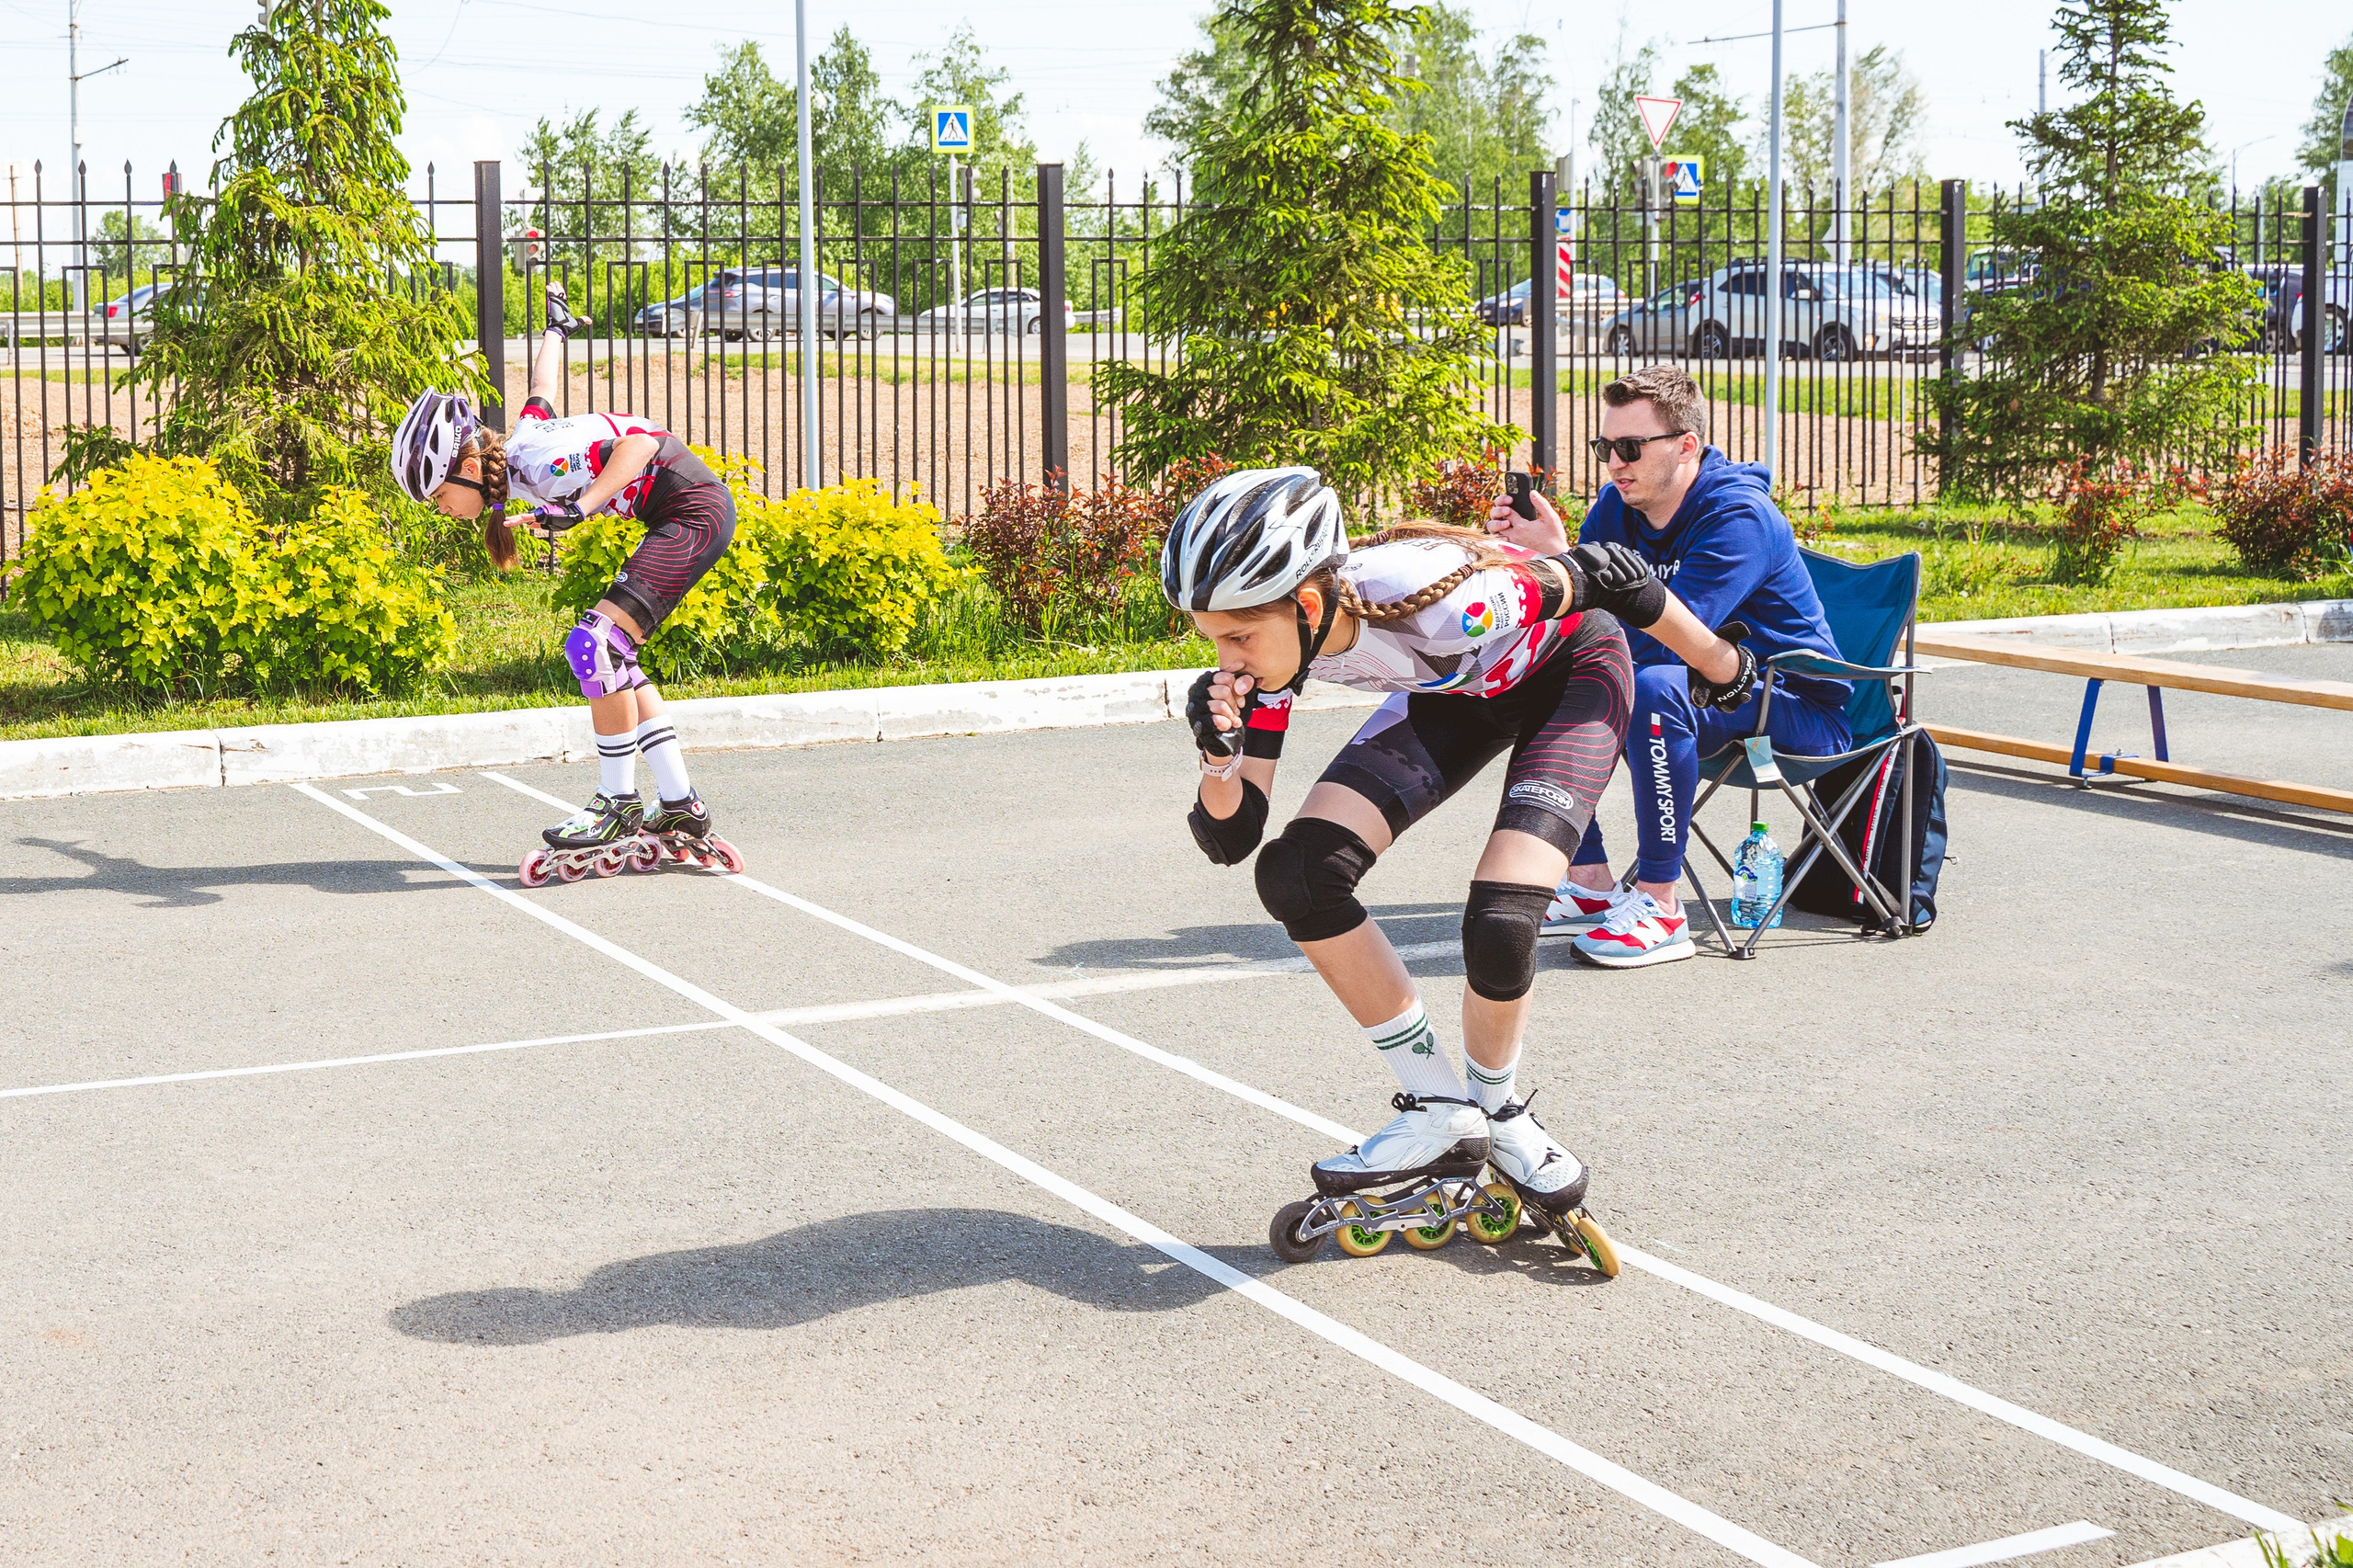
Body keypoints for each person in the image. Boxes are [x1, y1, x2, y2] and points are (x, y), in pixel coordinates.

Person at [1168, 466, 1753, 1230]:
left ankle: (1503, 1114)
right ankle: (1439, 1107)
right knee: (1298, 874)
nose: (1227, 659)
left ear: (1307, 605)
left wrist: (1725, 669)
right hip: (1459, 698)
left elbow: (1616, 577)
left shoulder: (1451, 599)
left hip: (1570, 675)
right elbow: (1235, 835)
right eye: (1213, 638)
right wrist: (1218, 758)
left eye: (1239, 637)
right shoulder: (1277, 655)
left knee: (1503, 921)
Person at [1487, 364, 1849, 969]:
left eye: (1630, 447)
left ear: (1686, 446)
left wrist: (1568, 563)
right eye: (1606, 447)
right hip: (1706, 693)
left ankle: (1660, 902)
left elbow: (1665, 644)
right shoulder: (1617, 508)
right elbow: (1591, 621)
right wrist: (1550, 561)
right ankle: (1592, 880)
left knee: (1652, 685)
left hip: (1793, 705)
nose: (1614, 463)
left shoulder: (1737, 518)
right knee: (1540, 672)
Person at [390, 284, 735, 863]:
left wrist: (584, 506)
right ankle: (680, 802)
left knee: (594, 645)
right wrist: (557, 330)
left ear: (471, 469)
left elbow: (640, 446)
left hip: (694, 512)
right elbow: (542, 391)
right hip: (677, 515)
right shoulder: (516, 452)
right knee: (613, 654)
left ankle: (617, 802)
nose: (442, 510)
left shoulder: (537, 462)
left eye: (440, 495)